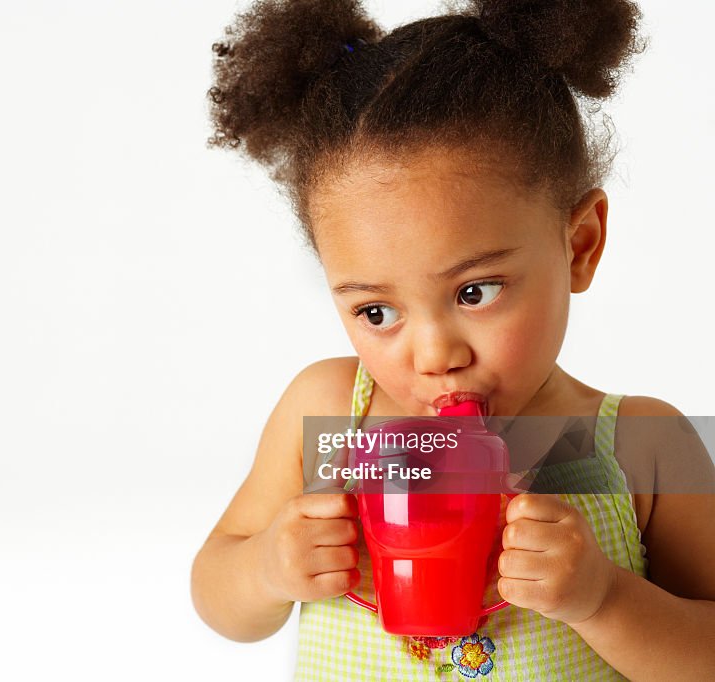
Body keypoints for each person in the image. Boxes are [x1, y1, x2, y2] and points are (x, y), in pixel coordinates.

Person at [189, 0, 715, 679]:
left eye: (475, 292)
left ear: (579, 244)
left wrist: (607, 600)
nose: (436, 355)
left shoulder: (643, 445)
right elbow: (216, 590)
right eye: (377, 312)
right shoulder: (325, 414)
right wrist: (265, 569)